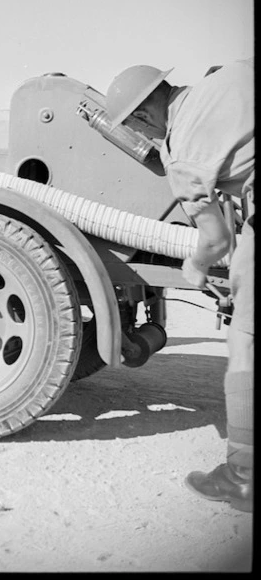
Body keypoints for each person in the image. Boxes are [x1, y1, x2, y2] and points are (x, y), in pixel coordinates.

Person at [105, 58, 254, 512]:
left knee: (245, 336)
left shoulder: (183, 149)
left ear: (143, 117)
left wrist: (195, 266)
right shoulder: (228, 77)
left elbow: (216, 238)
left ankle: (244, 475)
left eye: (136, 127)